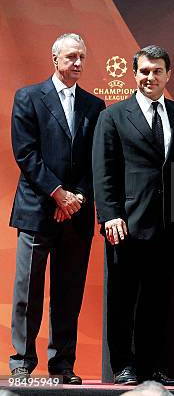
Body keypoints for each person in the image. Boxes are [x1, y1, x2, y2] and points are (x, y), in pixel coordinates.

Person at [93, 45, 174, 386]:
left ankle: (155, 367)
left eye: (157, 71)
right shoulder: (113, 115)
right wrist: (109, 214)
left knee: (159, 298)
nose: (150, 77)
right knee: (123, 297)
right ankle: (124, 364)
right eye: (144, 71)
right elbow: (103, 170)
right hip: (126, 222)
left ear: (169, 75)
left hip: (167, 223)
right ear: (134, 74)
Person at [9, 33, 105, 384]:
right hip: (37, 211)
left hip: (75, 214)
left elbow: (94, 159)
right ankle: (21, 361)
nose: (77, 63)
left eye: (82, 57)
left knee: (68, 293)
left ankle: (62, 364)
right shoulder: (29, 97)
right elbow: (26, 154)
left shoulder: (95, 106)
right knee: (28, 291)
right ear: (55, 59)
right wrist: (57, 194)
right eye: (71, 57)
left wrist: (74, 197)